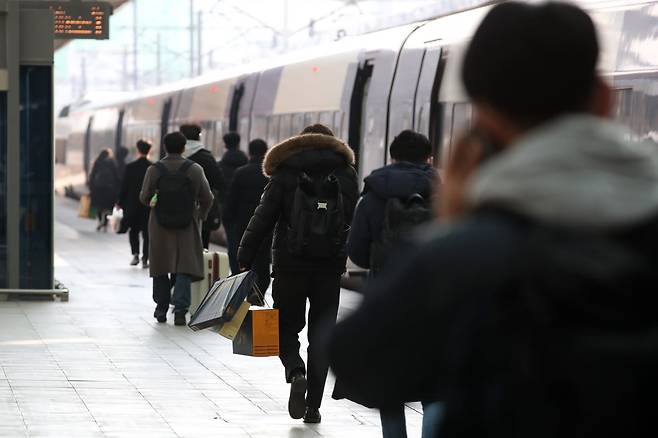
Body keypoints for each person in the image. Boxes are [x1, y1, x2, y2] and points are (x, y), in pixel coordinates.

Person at [328, 2, 658, 437]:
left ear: (481, 116)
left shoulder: (462, 257)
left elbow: (361, 362)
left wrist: (457, 219)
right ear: (603, 98)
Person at [238, 124, 359, 423]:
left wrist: (245, 255)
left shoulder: (286, 170)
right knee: (321, 335)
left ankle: (294, 371)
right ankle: (313, 406)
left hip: (290, 265)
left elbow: (263, 216)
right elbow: (351, 217)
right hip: (329, 267)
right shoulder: (346, 173)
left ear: (300, 143)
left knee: (284, 326)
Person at [341, 129, 440, 438]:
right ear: (429, 159)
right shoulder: (448, 193)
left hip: (389, 300)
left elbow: (356, 252)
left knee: (391, 385)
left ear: (392, 157)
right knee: (435, 385)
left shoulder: (374, 195)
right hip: (437, 302)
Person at [140, 132, 213, 326]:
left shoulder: (154, 170)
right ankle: (180, 310)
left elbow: (144, 197)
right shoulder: (195, 169)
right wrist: (201, 215)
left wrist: (155, 202)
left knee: (160, 266)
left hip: (159, 225)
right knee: (184, 267)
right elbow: (208, 197)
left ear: (165, 147)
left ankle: (161, 308)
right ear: (183, 148)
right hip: (187, 225)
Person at [223, 138, 271, 292]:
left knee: (243, 258)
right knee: (262, 261)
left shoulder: (241, 173)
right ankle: (258, 293)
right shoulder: (271, 175)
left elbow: (231, 200)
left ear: (249, 152)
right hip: (265, 226)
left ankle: (243, 291)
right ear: (266, 153)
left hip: (243, 225)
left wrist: (228, 221)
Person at [180, 123, 225, 249]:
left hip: (176, 208)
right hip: (201, 208)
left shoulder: (173, 158)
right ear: (199, 136)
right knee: (202, 244)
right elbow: (220, 182)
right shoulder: (206, 157)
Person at [117, 140, 153, 268]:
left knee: (133, 230)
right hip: (148, 206)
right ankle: (145, 259)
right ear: (150, 151)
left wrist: (120, 203)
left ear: (138, 150)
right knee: (147, 233)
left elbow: (124, 186)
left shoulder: (130, 167)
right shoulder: (153, 167)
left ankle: (135, 255)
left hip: (132, 205)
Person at [88, 148, 120, 232]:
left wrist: (91, 187)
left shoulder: (97, 162)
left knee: (99, 205)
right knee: (107, 206)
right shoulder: (112, 162)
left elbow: (92, 175)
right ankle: (105, 222)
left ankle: (100, 221)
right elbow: (116, 176)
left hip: (98, 188)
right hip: (109, 188)